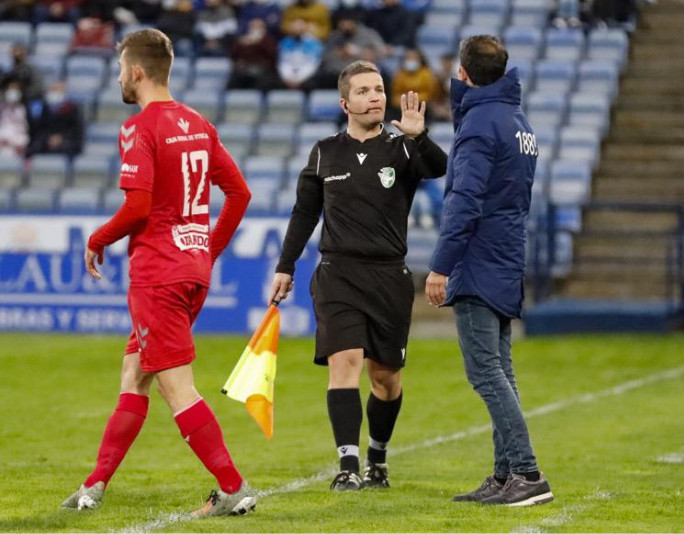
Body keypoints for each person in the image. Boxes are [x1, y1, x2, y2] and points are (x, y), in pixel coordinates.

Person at [61, 29, 256, 517]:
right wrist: (206, 252)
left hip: (158, 274)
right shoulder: (198, 122)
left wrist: (98, 237)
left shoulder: (140, 127)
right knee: (135, 374)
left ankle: (233, 486)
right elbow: (240, 194)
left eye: (121, 69)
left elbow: (139, 205)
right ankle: (94, 485)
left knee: (175, 386)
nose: (119, 78)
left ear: (137, 72)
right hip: (189, 270)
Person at [268, 60, 447, 491]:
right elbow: (305, 213)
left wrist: (418, 135)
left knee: (385, 378)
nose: (376, 97)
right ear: (345, 102)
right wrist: (285, 266)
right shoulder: (324, 152)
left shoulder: (402, 147)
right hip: (338, 274)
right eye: (365, 91)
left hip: (388, 277)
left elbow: (439, 168)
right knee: (344, 365)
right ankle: (347, 467)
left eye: (380, 89)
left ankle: (377, 459)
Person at [424, 35, 554, 507]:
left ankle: (526, 472)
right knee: (502, 370)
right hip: (506, 253)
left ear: (463, 73)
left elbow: (465, 202)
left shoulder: (479, 124)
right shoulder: (517, 120)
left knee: (485, 372)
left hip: (479, 259)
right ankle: (503, 477)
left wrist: (440, 267)